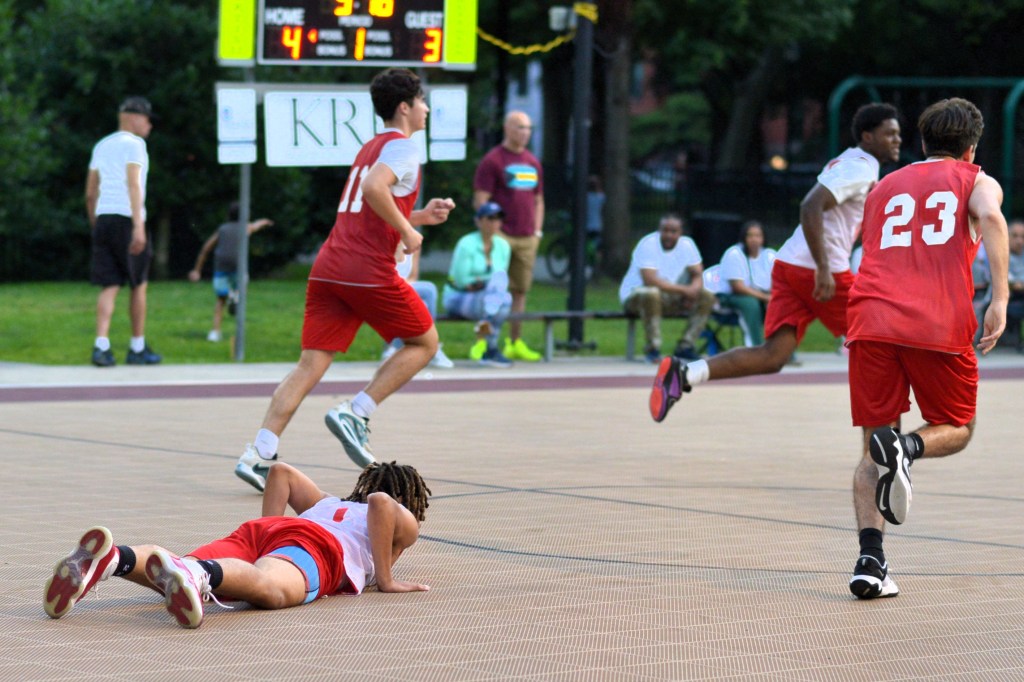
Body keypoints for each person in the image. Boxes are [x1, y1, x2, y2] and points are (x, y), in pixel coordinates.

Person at [233, 68, 455, 492]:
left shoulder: (371, 147)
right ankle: (357, 411)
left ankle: (258, 454)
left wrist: (420, 217)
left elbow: (367, 203)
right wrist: (408, 232)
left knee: (310, 365)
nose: (426, 108)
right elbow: (374, 189)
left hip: (329, 267)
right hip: (365, 269)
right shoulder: (404, 147)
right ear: (405, 107)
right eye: (422, 101)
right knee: (425, 343)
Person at [844, 97, 1008, 600]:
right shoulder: (975, 179)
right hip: (936, 319)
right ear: (972, 147)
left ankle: (870, 561)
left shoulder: (884, 186)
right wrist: (1000, 299)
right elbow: (992, 218)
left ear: (921, 142)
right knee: (958, 427)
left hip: (871, 318)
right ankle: (910, 448)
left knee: (875, 442)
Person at [650, 103, 902, 422]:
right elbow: (810, 206)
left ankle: (684, 373)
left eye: (898, 134)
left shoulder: (852, 161)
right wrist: (824, 268)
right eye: (889, 134)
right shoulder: (860, 168)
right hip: (818, 271)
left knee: (773, 355)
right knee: (880, 343)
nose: (897, 140)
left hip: (790, 265)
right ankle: (885, 439)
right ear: (868, 136)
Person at [44, 461, 431, 628]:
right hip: (319, 546)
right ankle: (198, 575)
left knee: (175, 569)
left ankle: (114, 559)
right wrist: (386, 579)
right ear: (409, 501)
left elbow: (281, 472)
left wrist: (268, 532)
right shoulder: (402, 521)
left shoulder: (328, 503)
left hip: (268, 530)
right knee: (273, 591)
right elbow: (381, 503)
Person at [86, 96, 161, 367]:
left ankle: (101, 345)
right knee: (138, 283)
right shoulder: (135, 144)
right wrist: (138, 226)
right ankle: (137, 347)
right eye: (147, 119)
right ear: (134, 117)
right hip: (127, 218)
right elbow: (133, 184)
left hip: (104, 217)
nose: (149, 125)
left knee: (109, 284)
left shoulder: (101, 145)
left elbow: (90, 192)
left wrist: (96, 223)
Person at [473, 110, 544, 362]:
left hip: (527, 237)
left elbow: (538, 200)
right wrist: (493, 233)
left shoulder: (532, 162)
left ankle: (515, 342)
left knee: (520, 291)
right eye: (520, 127)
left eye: (528, 128)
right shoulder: (493, 161)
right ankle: (482, 343)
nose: (525, 133)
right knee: (491, 290)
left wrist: (537, 231)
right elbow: (481, 200)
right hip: (501, 236)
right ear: (507, 128)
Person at [619, 213, 716, 364]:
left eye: (673, 231)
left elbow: (697, 274)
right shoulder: (648, 244)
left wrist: (692, 291)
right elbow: (650, 280)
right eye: (665, 230)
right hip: (636, 297)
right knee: (651, 293)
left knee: (707, 296)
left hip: (667, 296)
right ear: (659, 229)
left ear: (680, 232)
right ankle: (653, 349)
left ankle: (686, 346)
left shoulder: (687, 245)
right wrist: (684, 291)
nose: (669, 235)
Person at [188, 203, 274, 342]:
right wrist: (264, 222)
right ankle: (234, 298)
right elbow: (255, 225)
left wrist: (197, 270)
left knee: (220, 300)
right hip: (239, 268)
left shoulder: (222, 229)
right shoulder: (245, 228)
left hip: (221, 268)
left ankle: (215, 331)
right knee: (240, 293)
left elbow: (206, 248)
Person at [442, 202, 514, 368]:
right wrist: (487, 283)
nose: (495, 222)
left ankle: (485, 333)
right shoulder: (466, 244)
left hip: (488, 297)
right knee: (502, 298)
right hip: (458, 297)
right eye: (490, 218)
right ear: (478, 221)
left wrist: (488, 284)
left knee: (503, 297)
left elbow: (501, 278)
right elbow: (461, 281)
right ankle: (490, 349)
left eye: (499, 218)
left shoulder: (503, 246)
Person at [380, 249, 455, 368]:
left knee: (422, 304)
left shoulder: (414, 243)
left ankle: (394, 348)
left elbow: (413, 276)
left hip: (405, 287)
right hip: (384, 287)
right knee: (429, 290)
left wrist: (404, 288)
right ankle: (432, 346)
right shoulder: (385, 242)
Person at [706, 220, 777, 346]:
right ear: (744, 238)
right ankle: (755, 347)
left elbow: (776, 282)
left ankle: (782, 349)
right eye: (750, 235)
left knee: (781, 304)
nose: (754, 239)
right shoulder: (734, 254)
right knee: (750, 303)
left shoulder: (769, 255)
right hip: (726, 297)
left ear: (763, 238)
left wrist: (773, 298)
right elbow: (737, 287)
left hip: (758, 294)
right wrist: (766, 298)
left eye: (758, 235)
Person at [1003, 220, 1024, 346]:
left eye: (1022, 237)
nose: (1019, 241)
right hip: (1008, 299)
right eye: (1015, 236)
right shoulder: (1000, 254)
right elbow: (1011, 283)